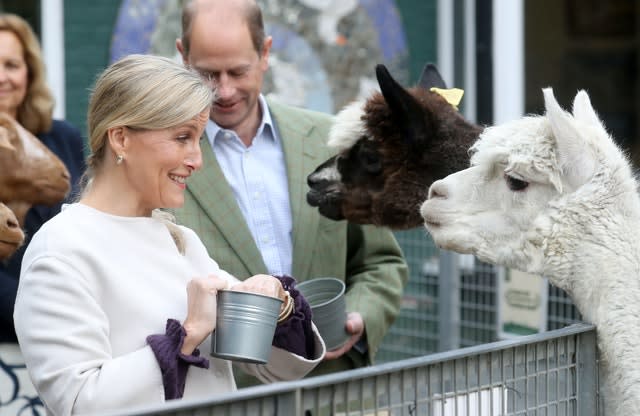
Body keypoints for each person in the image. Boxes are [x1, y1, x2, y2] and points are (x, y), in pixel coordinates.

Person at [13, 54, 325, 416]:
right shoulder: (61, 249)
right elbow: (80, 403)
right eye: (182, 138)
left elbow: (278, 368)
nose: (197, 160)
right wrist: (189, 334)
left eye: (198, 140)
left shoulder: (182, 240)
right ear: (121, 139)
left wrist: (276, 302)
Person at [175, 0, 409, 386]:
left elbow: (380, 262)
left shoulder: (332, 141)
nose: (225, 90)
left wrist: (360, 314)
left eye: (238, 71)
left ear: (265, 53)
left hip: (333, 390)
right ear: (183, 57)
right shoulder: (166, 161)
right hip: (227, 396)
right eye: (207, 74)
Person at [0, 13, 86, 344]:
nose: (3, 77)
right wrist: (34, 310)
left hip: (67, 320)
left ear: (29, 71)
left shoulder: (61, 137)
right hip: (17, 331)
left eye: (11, 65)